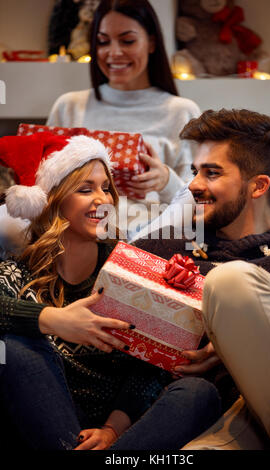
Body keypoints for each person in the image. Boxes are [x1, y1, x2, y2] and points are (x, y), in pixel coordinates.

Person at [106, 109, 270, 450]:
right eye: (194, 172)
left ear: (258, 186)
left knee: (232, 280)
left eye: (212, 173)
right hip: (202, 425)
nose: (193, 185)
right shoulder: (163, 247)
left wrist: (238, 342)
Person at [0, 131, 178, 450]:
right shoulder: (17, 270)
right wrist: (55, 320)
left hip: (117, 429)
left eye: (106, 188)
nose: (103, 199)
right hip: (48, 420)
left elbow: (150, 366)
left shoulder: (128, 268)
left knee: (196, 394)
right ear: (53, 200)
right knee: (10, 349)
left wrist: (111, 431)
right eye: (85, 189)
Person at [46, 0, 200, 233]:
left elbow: (201, 203)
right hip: (75, 237)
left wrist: (166, 181)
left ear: (151, 43)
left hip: (152, 238)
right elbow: (41, 187)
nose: (114, 53)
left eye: (127, 41)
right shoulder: (68, 107)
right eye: (103, 42)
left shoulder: (182, 111)